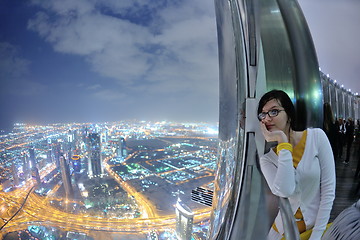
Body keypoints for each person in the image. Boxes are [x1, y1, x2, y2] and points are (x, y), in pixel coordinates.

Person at [257, 90, 336, 240]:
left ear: (289, 114)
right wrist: (283, 142)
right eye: (263, 114)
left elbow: (328, 191)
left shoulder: (317, 138)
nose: (267, 118)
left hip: (314, 231)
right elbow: (286, 190)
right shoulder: (267, 160)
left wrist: (317, 235)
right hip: (281, 233)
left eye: (274, 111)